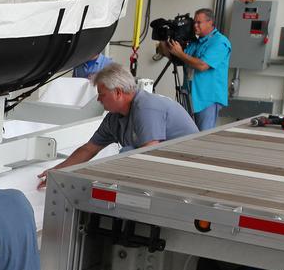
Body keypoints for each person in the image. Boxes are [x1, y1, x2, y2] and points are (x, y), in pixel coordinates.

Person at [37, 63, 198, 188]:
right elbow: (89, 149)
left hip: (186, 169)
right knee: (125, 156)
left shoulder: (146, 107)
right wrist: (56, 171)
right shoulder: (114, 117)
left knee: (126, 154)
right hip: (164, 166)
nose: (99, 100)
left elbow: (150, 153)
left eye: (102, 95)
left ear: (118, 93)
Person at [158, 7, 231, 130]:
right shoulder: (196, 42)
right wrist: (164, 40)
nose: (195, 26)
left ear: (210, 22)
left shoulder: (220, 42)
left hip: (207, 99)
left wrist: (180, 53)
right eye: (194, 22)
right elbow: (177, 58)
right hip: (190, 96)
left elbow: (202, 65)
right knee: (187, 134)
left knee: (202, 137)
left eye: (199, 22)